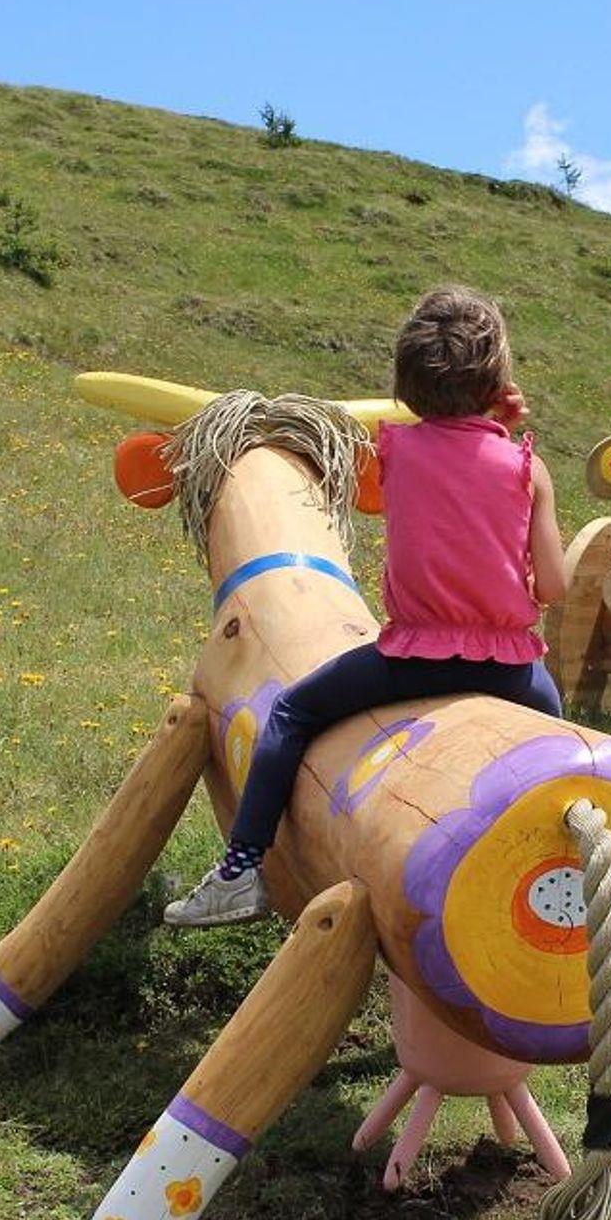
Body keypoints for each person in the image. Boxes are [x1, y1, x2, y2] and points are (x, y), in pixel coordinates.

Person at [165, 284, 568, 927]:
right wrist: (504, 437)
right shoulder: (527, 468)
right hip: (512, 671)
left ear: (407, 383)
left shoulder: (394, 452)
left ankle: (241, 871)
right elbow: (554, 587)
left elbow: (446, 463)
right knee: (567, 755)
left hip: (415, 659)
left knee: (292, 713)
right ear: (498, 380)